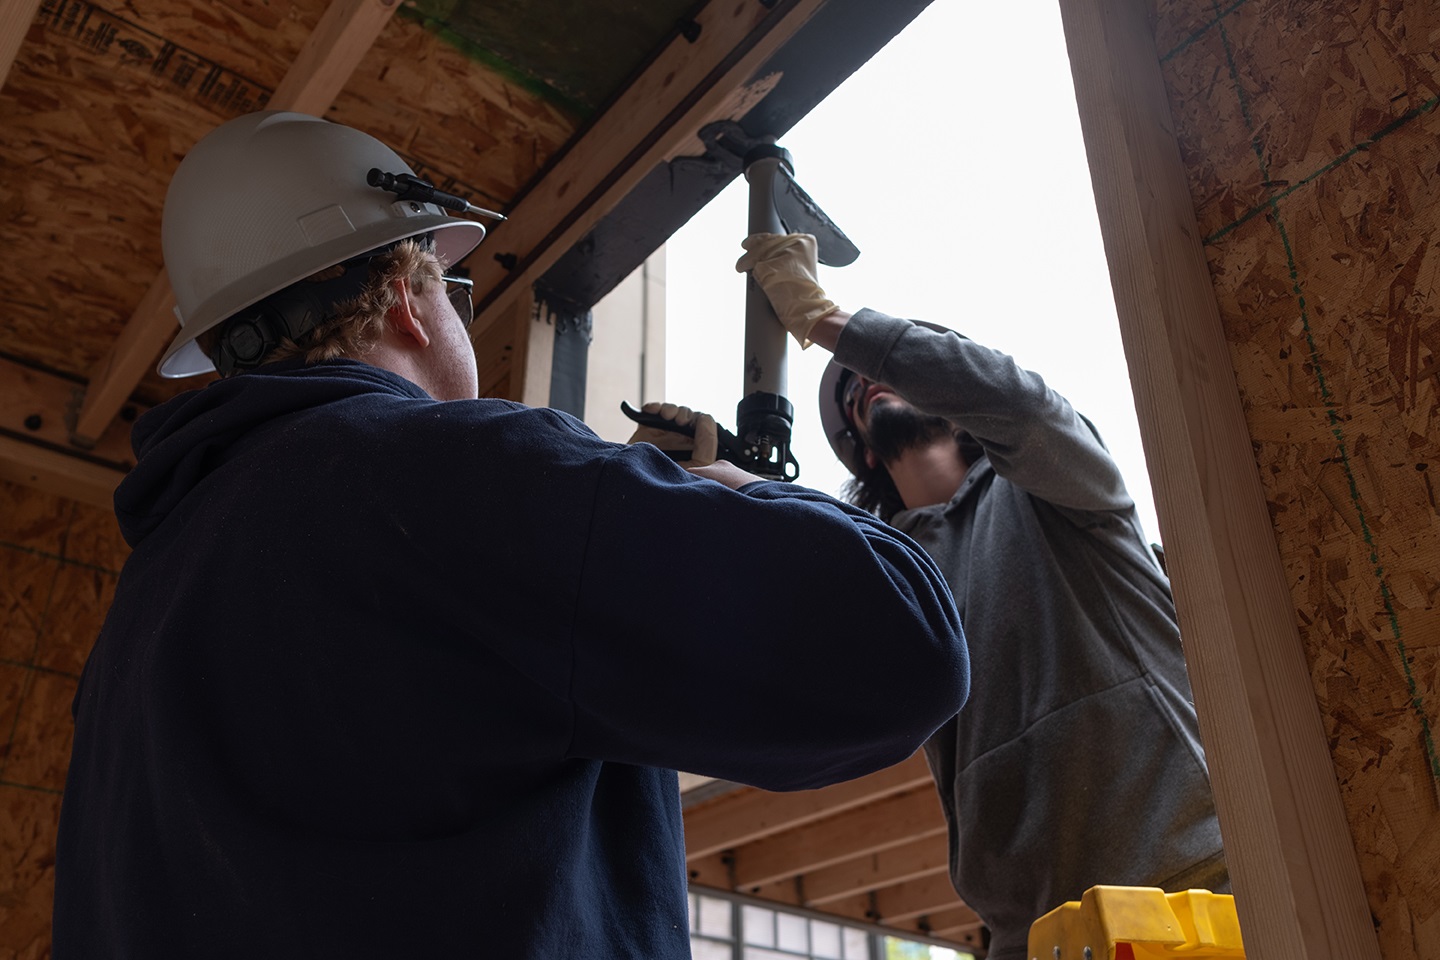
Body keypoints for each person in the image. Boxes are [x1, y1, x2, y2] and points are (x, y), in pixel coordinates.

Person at [51, 113, 971, 959]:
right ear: (411, 301)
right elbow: (901, 645)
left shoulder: (141, 615)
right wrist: (714, 482)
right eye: (455, 290)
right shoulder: (450, 476)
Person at [734, 232, 1229, 960]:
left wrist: (823, 320)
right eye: (851, 391)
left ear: (956, 404)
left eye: (877, 371)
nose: (861, 382)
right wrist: (698, 474)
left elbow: (1018, 404)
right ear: (865, 450)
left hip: (1187, 889)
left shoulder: (1057, 488)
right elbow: (808, 563)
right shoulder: (895, 573)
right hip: (1031, 940)